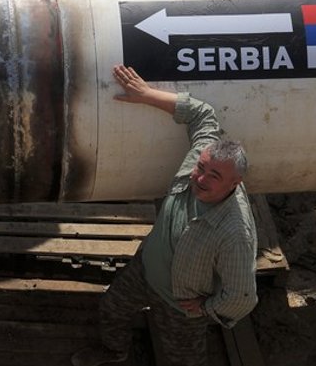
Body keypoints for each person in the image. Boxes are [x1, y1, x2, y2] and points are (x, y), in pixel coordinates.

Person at [72, 65, 258, 366]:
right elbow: (203, 114)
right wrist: (147, 94)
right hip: (146, 271)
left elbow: (243, 297)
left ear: (234, 184)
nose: (200, 178)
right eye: (200, 167)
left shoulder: (234, 233)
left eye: (213, 176)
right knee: (112, 308)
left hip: (180, 303)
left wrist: (206, 309)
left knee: (183, 359)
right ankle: (113, 351)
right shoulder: (204, 152)